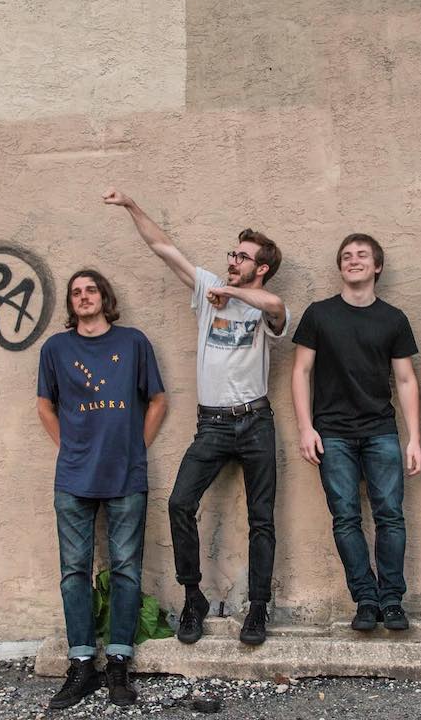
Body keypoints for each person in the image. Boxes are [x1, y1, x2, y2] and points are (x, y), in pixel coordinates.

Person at [103, 190, 289, 646]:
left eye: (242, 256)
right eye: (232, 253)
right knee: (179, 504)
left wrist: (234, 293)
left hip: (256, 422)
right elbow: (162, 247)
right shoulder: (208, 288)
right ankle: (193, 598)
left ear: (260, 268)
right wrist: (131, 204)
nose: (232, 260)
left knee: (261, 518)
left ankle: (259, 608)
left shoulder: (262, 303)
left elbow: (278, 310)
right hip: (213, 426)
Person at [37, 269, 166, 709]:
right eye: (76, 293)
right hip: (73, 476)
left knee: (127, 567)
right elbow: (44, 404)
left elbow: (158, 400)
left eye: (91, 290)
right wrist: (70, 446)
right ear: (71, 305)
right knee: (74, 571)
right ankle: (80, 665)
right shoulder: (55, 348)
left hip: (126, 473)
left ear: (104, 297)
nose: (83, 297)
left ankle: (118, 664)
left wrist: (136, 447)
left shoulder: (133, 342)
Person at [291, 233, 421, 632]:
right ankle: (365, 598)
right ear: (340, 267)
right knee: (345, 517)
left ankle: (392, 600)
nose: (353, 260)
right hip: (332, 433)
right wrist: (305, 428)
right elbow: (300, 371)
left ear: (377, 266)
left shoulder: (393, 319)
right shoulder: (318, 314)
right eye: (346, 255)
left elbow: (405, 380)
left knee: (390, 516)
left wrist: (414, 438)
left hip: (381, 430)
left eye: (362, 255)